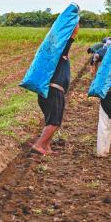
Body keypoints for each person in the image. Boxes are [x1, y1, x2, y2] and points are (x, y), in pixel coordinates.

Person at [31, 23, 80, 155]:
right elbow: (72, 35)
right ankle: (39, 145)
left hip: (47, 92)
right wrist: (75, 19)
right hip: (54, 91)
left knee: (51, 120)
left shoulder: (50, 57)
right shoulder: (59, 52)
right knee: (54, 121)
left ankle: (46, 147)